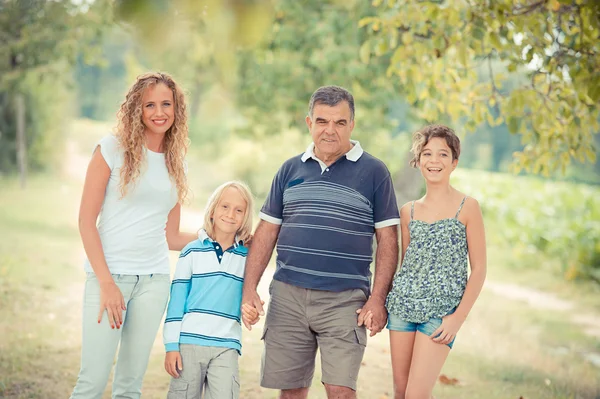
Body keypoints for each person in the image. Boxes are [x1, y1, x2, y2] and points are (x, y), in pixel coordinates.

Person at [241, 85, 400, 399]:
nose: (330, 130)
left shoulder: (375, 172)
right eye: (322, 121)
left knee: (340, 391)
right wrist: (249, 288)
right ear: (309, 123)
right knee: (291, 392)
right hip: (288, 296)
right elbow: (267, 232)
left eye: (340, 122)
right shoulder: (289, 169)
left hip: (345, 301)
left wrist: (378, 299)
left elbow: (388, 241)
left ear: (352, 124)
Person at [71, 72, 198, 399]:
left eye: (166, 104)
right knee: (92, 382)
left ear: (176, 108)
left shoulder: (175, 160)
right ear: (135, 110)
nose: (159, 112)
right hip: (109, 278)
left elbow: (171, 237)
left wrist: (219, 236)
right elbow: (86, 221)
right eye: (149, 105)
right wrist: (107, 283)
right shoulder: (111, 149)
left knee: (129, 387)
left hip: (154, 282)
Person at [385, 124, 487, 399]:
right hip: (403, 308)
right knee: (401, 392)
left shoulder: (468, 207)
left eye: (442, 155)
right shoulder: (409, 211)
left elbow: (478, 270)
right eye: (427, 154)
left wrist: (456, 319)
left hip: (441, 314)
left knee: (416, 394)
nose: (434, 161)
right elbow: (406, 265)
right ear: (417, 162)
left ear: (454, 162)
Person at [163, 181, 255, 399]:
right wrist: (171, 346)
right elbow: (176, 303)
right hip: (188, 344)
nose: (231, 214)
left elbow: (248, 297)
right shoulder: (190, 252)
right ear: (213, 209)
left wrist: (250, 310)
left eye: (239, 210)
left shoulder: (247, 258)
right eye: (225, 206)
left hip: (227, 346)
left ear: (245, 216)